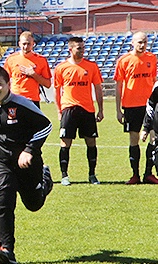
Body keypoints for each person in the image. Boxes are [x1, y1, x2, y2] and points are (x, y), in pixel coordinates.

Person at [0, 66, 53, 264]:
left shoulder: (22, 105)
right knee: (2, 200)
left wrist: (29, 150)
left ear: (8, 85)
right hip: (1, 163)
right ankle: (5, 249)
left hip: (28, 164)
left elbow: (46, 125)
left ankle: (45, 181)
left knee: (33, 204)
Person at [53, 36, 104, 185]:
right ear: (71, 49)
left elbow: (98, 88)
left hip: (87, 109)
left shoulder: (91, 66)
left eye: (83, 47)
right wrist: (59, 110)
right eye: (79, 48)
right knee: (65, 143)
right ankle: (64, 175)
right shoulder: (61, 68)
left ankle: (92, 175)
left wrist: (100, 110)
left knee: (91, 142)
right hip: (69, 109)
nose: (82, 50)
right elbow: (57, 91)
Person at [113, 31, 158, 184]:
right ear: (132, 43)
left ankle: (148, 173)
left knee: (153, 138)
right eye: (139, 42)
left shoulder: (152, 59)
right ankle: (135, 175)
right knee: (134, 140)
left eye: (144, 42)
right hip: (131, 106)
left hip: (149, 106)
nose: (142, 45)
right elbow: (118, 86)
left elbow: (153, 81)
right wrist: (118, 110)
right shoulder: (124, 61)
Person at [3, 31, 52, 107]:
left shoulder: (41, 60)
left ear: (33, 44)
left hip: (33, 100)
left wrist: (33, 74)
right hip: (15, 99)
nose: (26, 47)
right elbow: (4, 80)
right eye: (24, 44)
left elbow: (48, 84)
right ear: (19, 44)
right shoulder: (11, 59)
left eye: (28, 44)